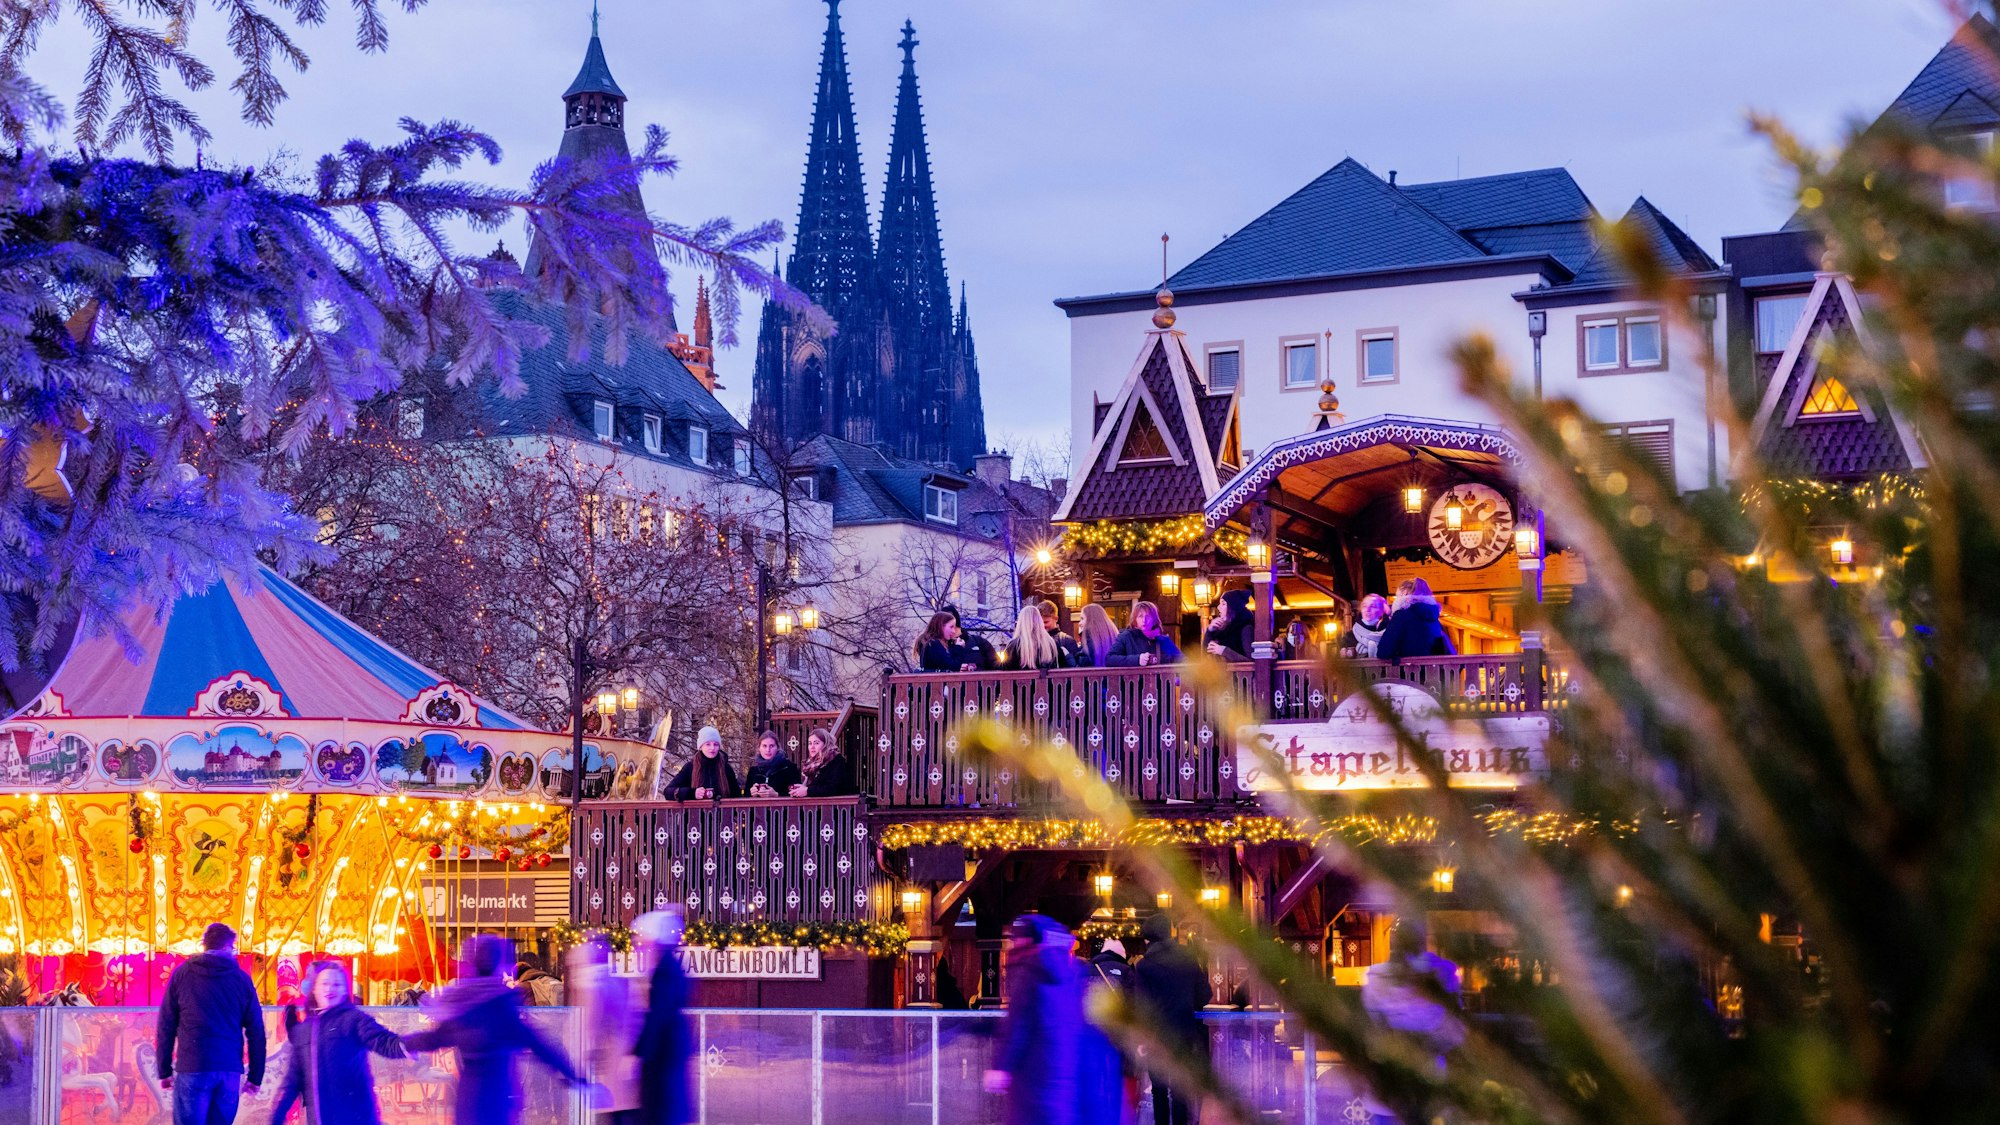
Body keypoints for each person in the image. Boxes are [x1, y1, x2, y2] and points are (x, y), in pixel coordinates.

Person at [402, 934, 594, 1125]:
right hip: (500, 1096)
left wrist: (402, 1044)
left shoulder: (462, 1006)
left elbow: (433, 1039)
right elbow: (541, 1045)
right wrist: (576, 1078)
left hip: (469, 1100)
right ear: (498, 964)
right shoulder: (503, 1007)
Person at [156, 921, 266, 1125]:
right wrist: (255, 1076)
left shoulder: (182, 974)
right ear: (228, 947)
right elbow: (256, 1031)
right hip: (229, 1070)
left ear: (204, 946)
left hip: (192, 1066)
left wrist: (164, 1069)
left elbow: (166, 1024)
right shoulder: (241, 979)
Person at [271, 961, 407, 1125]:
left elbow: (382, 1040)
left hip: (356, 1117)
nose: (330, 989)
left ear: (344, 990)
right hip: (319, 1118)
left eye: (336, 984)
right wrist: (277, 1116)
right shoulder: (304, 1030)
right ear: (314, 989)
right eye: (325, 984)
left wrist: (408, 1045)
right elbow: (293, 1080)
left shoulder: (354, 1019)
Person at [983, 914, 1082, 1125]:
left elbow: (1018, 1021)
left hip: (1030, 1067)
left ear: (1025, 940)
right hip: (1058, 1066)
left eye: (1015, 938)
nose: (1012, 944)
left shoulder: (1027, 969)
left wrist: (1001, 1066)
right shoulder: (1066, 970)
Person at [1359, 923, 1463, 1122]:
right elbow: (1455, 1033)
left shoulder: (1376, 978)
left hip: (1388, 1085)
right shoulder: (1444, 974)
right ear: (1422, 943)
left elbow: (1368, 1028)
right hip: (1428, 1085)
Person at [1132, 914, 1211, 1125]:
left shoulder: (1145, 966)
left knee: (1159, 1091)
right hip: (1186, 1033)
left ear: (1148, 939)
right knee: (1180, 1091)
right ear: (1169, 932)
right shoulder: (1188, 959)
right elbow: (1205, 995)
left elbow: (1142, 1007)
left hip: (1157, 1037)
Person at [568, 936, 641, 1124]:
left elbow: (591, 1022)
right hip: (624, 1057)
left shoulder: (594, 982)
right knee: (622, 1111)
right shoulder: (616, 979)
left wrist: (582, 1055)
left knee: (614, 1111)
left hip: (612, 1060)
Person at [632, 908, 695, 1125]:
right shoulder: (668, 967)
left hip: (663, 1054)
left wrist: (639, 1053)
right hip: (666, 1052)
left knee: (663, 1110)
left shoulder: (665, 970)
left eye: (642, 939)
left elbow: (658, 1016)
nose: (638, 944)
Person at [1082, 938, 1139, 1125]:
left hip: (1090, 1036)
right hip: (1117, 1037)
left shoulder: (1086, 970)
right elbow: (1134, 1006)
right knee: (1117, 1082)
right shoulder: (1126, 971)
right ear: (1121, 955)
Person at [1375, 579, 1453, 664]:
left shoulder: (1401, 615)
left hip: (1408, 673)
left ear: (1404, 592)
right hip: (1432, 673)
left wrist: (1387, 618)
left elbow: (1384, 652)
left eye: (1397, 596)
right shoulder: (1434, 619)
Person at [662, 727, 741, 801]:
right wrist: (692, 793)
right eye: (708, 744)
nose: (712, 748)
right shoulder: (690, 768)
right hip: (696, 815)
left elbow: (737, 796)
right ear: (700, 747)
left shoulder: (726, 768)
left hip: (721, 814)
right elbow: (668, 791)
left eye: (716, 744)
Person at [1105, 601, 1183, 668]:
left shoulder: (1164, 640)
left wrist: (1178, 677)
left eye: (1148, 616)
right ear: (1134, 619)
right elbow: (1110, 659)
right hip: (1135, 684)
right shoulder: (1126, 637)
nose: (1144, 620)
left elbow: (1182, 660)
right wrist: (1137, 659)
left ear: (1154, 619)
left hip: (1160, 685)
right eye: (1140, 616)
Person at [793, 728, 854, 798]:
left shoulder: (836, 760)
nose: (812, 747)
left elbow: (834, 788)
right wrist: (802, 788)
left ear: (825, 744)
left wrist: (808, 791)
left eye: (816, 743)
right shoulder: (812, 764)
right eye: (810, 743)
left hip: (834, 806)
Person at [914, 611, 979, 672]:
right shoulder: (934, 644)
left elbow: (945, 664)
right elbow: (952, 667)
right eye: (951, 627)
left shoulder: (930, 643)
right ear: (940, 626)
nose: (953, 631)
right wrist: (958, 647)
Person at [744, 731, 802, 797]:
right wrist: (751, 793)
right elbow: (745, 796)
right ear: (759, 748)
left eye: (771, 746)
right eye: (764, 746)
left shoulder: (789, 768)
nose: (768, 750)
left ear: (777, 748)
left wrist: (776, 795)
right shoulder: (753, 771)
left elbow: (796, 795)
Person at [1007, 605, 1065, 670]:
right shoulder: (1052, 644)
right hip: (1048, 680)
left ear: (1021, 623)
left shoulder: (1014, 645)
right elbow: (1063, 665)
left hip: (1022, 680)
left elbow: (1006, 668)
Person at [1203, 589, 1254, 662]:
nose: (1218, 607)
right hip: (1218, 673)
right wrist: (1210, 631)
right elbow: (1204, 656)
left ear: (1233, 608)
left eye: (1223, 604)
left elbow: (1250, 661)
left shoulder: (1246, 628)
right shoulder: (1223, 629)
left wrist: (1224, 651)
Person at [1038, 600, 1086, 668]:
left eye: (1046, 622)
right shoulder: (1034, 640)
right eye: (1040, 622)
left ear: (1056, 619)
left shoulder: (1068, 640)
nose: (1042, 625)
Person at [1078, 603, 1119, 668]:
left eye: (1082, 618)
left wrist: (1068, 655)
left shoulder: (1089, 636)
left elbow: (1082, 664)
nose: (1079, 623)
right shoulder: (1113, 634)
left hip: (1093, 676)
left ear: (1091, 620)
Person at [1348, 594, 1389, 659]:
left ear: (1382, 611)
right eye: (1364, 606)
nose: (1367, 609)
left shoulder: (1391, 633)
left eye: (1372, 606)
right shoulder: (1350, 636)